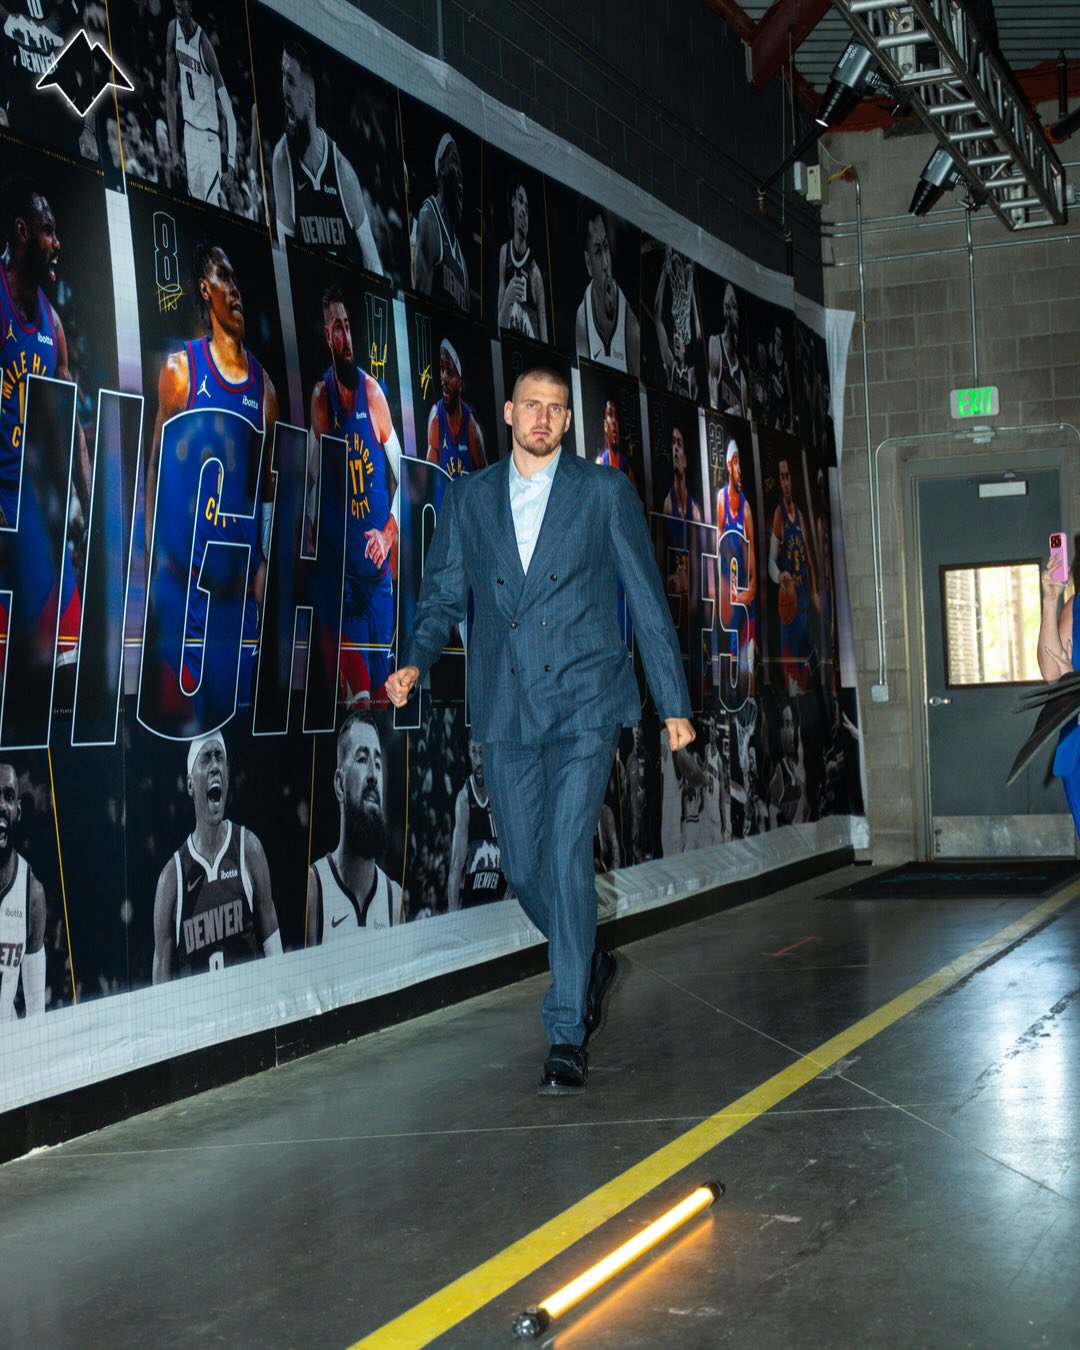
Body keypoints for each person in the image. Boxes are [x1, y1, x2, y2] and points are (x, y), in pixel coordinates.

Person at [386, 365, 693, 1095]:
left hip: (587, 701)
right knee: (524, 868)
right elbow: (441, 596)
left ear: (566, 421)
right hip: (507, 705)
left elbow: (646, 600)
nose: (544, 418)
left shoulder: (603, 491)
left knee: (564, 855)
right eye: (532, 405)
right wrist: (416, 660)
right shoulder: (471, 497)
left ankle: (565, 1031)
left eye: (556, 408)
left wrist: (674, 704)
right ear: (508, 412)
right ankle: (586, 961)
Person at [146, 241, 279, 709]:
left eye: (237, 279)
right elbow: (155, 467)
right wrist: (153, 558)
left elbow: (267, 491)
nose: (236, 288)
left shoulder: (265, 389)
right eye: (224, 277)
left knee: (235, 726)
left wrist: (265, 569)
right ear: (205, 289)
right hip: (186, 593)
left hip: (238, 599)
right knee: (188, 727)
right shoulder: (180, 371)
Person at [0, 175, 91, 670]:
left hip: (41, 522)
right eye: (48, 231)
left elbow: (71, 424)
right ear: (22, 232)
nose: (57, 243)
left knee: (68, 664)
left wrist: (89, 501)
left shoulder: (53, 327)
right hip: (2, 515)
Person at [309, 285, 403, 708]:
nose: (346, 337)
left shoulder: (373, 394)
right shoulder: (321, 398)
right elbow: (311, 483)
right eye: (338, 328)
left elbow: (406, 477)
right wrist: (319, 548)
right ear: (327, 336)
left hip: (378, 576)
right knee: (359, 700)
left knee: (383, 699)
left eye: (348, 326)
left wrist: (387, 534)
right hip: (344, 581)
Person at [152, 732, 281, 981]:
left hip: (248, 1003)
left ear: (228, 775)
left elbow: (275, 953)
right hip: (199, 1007)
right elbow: (161, 992)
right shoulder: (172, 878)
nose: (214, 766)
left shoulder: (249, 850)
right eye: (206, 758)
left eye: (219, 757)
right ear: (190, 784)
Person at [272, 41, 383, 274]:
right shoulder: (282, 160)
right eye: (282, 75)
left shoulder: (343, 174)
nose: (284, 90)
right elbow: (283, 257)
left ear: (310, 99)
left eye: (291, 80)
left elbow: (373, 264)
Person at [307, 711, 403, 938]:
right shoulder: (314, 887)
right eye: (362, 759)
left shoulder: (394, 899)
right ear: (339, 785)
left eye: (378, 763)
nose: (373, 775)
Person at [166, 0, 236, 207]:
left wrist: (231, 163)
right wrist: (173, 149)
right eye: (175, 1)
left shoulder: (204, 45)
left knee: (211, 203)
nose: (178, 5)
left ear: (191, 5)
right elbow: (170, 92)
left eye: (182, 1)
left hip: (209, 137)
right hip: (189, 133)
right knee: (194, 206)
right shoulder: (172, 30)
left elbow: (229, 110)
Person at [0, 761, 46, 1018]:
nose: (0, 806)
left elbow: (36, 1010)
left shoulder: (31, 893)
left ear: (18, 811)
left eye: (8, 796)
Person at [769, 457, 817, 694]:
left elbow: (809, 561)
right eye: (782, 477)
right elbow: (771, 562)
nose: (786, 481)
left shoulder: (800, 517)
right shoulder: (779, 515)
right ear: (779, 482)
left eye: (788, 476)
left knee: (806, 674)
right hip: (789, 603)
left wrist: (815, 592)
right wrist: (780, 576)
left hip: (804, 601)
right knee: (791, 679)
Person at [574, 201, 640, 374]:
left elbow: (639, 389)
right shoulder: (582, 319)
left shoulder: (630, 323)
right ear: (588, 264)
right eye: (597, 252)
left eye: (606, 247)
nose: (605, 264)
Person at [717, 439, 756, 699]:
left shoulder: (746, 510)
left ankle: (748, 707)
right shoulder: (721, 500)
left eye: (741, 462)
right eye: (736, 462)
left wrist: (745, 595)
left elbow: (753, 578)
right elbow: (715, 550)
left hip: (742, 601)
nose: (740, 469)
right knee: (728, 665)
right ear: (729, 466)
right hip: (726, 599)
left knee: (747, 665)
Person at [412, 132, 469, 312]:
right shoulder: (429, 217)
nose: (460, 171)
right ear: (442, 167)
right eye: (454, 161)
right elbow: (419, 305)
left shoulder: (462, 263)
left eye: (461, 166)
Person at [447, 740, 508, 910]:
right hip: (472, 903)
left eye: (482, 752)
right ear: (468, 752)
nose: (478, 760)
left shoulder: (502, 793)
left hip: (500, 897)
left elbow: (516, 860)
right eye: (474, 752)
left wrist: (506, 902)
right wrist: (452, 918)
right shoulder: (464, 799)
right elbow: (455, 867)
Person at [426, 339, 485, 479]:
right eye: (442, 369)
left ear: (459, 383)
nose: (444, 378)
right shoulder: (436, 419)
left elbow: (484, 481)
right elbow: (429, 478)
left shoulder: (471, 428)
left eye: (449, 371)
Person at [496, 181, 547, 342]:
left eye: (527, 207)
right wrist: (507, 299)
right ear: (512, 201)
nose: (524, 211)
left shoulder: (535, 272)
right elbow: (500, 330)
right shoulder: (504, 252)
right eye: (520, 200)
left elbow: (544, 338)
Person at [651, 245, 700, 400]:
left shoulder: (691, 375)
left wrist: (691, 295)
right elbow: (657, 317)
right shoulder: (670, 364)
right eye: (674, 334)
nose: (675, 337)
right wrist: (664, 272)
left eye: (678, 334)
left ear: (685, 347)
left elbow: (699, 337)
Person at [707, 283, 749, 418]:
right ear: (726, 309)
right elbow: (712, 406)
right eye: (734, 307)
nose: (737, 315)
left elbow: (745, 422)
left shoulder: (742, 380)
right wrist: (728, 414)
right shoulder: (715, 345)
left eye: (737, 309)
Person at [769, 703, 808, 827]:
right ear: (780, 731)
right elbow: (772, 816)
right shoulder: (779, 773)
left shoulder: (805, 766)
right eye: (787, 725)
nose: (791, 732)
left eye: (792, 725)